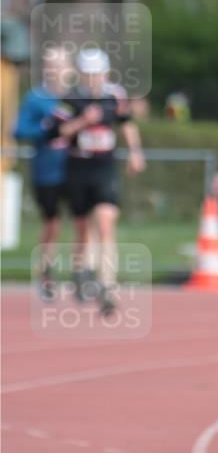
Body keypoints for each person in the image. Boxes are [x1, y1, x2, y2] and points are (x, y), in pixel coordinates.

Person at [45, 47, 145, 316]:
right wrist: (82, 121)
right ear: (81, 74)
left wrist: (135, 152)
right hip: (78, 169)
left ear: (105, 72)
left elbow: (126, 123)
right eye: (88, 74)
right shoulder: (70, 99)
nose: (93, 79)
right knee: (83, 230)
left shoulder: (114, 95)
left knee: (105, 224)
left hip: (104, 168)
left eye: (98, 73)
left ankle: (108, 288)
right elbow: (56, 133)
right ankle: (80, 271)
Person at [13, 46, 73, 300]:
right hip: (47, 170)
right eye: (49, 64)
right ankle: (46, 275)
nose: (53, 69)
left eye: (58, 64)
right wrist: (47, 129)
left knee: (86, 221)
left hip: (77, 169)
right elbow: (18, 131)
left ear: (68, 68)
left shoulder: (77, 97)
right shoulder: (35, 98)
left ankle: (84, 274)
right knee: (52, 224)